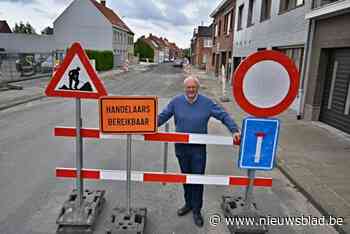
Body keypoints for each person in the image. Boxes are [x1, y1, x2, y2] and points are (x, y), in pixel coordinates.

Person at [157, 75, 240, 227]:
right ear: (185, 88)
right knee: (186, 179)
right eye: (188, 87)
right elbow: (162, 117)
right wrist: (145, 125)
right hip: (181, 148)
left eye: (193, 87)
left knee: (197, 180)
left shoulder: (206, 103)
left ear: (197, 88)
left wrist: (234, 130)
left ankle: (196, 210)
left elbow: (223, 115)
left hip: (198, 150)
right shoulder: (176, 102)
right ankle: (188, 204)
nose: (190, 90)